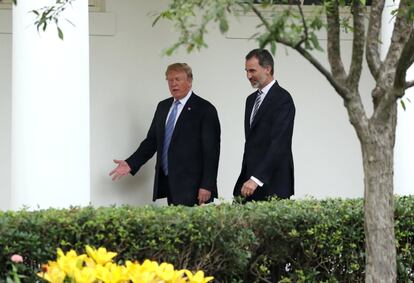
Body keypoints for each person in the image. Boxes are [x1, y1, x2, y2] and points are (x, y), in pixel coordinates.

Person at [110, 63, 221, 206]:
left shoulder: (205, 109)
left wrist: (207, 185)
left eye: (177, 79)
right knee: (173, 225)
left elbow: (212, 152)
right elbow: (152, 141)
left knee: (188, 227)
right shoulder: (163, 107)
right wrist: (131, 163)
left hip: (193, 185)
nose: (173, 84)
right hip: (168, 181)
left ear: (189, 81)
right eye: (170, 80)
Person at [234, 49, 295, 202]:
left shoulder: (283, 99)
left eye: (252, 70)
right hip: (249, 182)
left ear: (267, 69)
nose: (248, 76)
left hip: (273, 182)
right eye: (246, 71)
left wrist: (256, 179)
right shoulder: (250, 100)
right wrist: (249, 178)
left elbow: (279, 144)